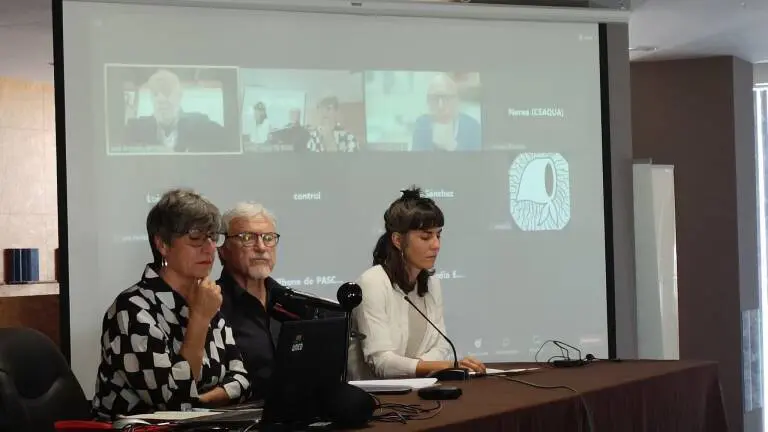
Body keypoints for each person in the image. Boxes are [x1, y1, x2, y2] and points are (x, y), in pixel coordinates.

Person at [92, 189, 250, 418]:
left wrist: (199, 401)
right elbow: (173, 400)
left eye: (213, 237)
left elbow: (241, 381)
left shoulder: (206, 297)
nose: (209, 248)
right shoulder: (131, 309)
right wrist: (199, 319)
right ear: (163, 244)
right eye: (195, 238)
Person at [348, 186, 486, 379]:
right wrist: (445, 365)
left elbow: (440, 346)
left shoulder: (431, 282)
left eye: (438, 235)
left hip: (420, 388)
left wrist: (424, 368)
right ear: (398, 240)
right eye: (425, 237)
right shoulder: (372, 283)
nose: (436, 245)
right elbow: (381, 363)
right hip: (375, 394)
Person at [216, 203, 297, 399]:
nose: (261, 247)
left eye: (268, 238)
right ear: (223, 249)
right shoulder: (211, 305)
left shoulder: (293, 302)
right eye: (247, 238)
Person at [124, 69, 228, 153]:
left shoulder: (203, 127)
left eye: (166, 91)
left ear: (179, 96)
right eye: (155, 93)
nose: (160, 99)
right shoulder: (134, 130)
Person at [411, 73, 481, 151]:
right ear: (428, 102)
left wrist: (452, 147)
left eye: (446, 98)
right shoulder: (422, 124)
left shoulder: (472, 127)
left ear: (456, 101)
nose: (440, 106)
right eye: (434, 99)